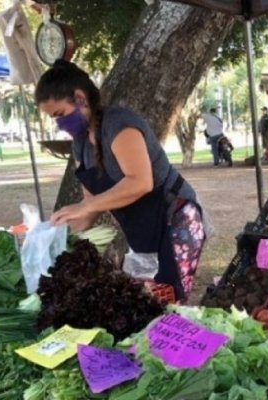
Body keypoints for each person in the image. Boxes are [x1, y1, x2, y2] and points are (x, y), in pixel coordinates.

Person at [36, 60, 205, 302]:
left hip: (177, 218)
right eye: (54, 119)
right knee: (145, 299)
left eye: (60, 114)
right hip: (142, 228)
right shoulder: (80, 145)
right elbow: (92, 206)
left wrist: (86, 206)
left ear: (80, 98)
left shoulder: (120, 124)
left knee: (169, 298)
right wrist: (55, 236)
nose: (60, 124)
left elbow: (140, 182)